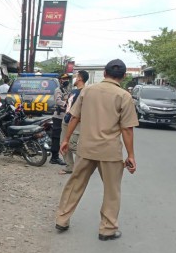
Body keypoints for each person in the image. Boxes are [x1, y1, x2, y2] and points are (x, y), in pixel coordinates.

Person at [55, 59, 138, 241]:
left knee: (75, 184)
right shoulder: (124, 96)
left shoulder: (88, 91)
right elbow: (127, 129)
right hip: (110, 152)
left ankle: (62, 219)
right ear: (123, 76)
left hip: (86, 148)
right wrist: (130, 155)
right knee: (111, 190)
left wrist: (66, 139)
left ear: (105, 73)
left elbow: (74, 116)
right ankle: (107, 229)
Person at [59, 70, 89, 175]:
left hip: (77, 121)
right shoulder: (74, 91)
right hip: (66, 120)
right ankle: (70, 167)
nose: (75, 79)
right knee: (63, 143)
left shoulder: (85, 92)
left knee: (71, 144)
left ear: (80, 78)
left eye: (76, 77)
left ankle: (89, 160)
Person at [50, 73, 71, 165]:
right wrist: (67, 105)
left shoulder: (66, 90)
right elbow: (58, 101)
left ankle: (58, 156)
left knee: (63, 137)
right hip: (58, 116)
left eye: (67, 79)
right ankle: (54, 158)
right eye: (64, 79)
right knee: (56, 138)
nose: (66, 80)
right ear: (60, 80)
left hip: (64, 116)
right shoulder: (58, 90)